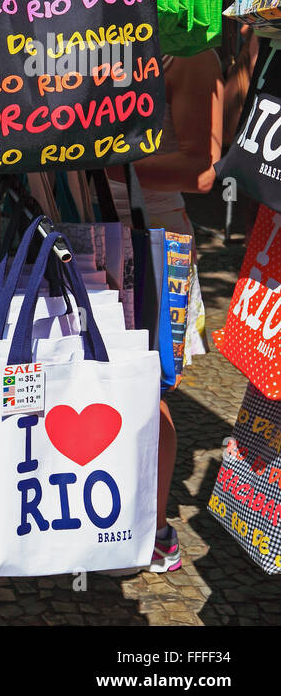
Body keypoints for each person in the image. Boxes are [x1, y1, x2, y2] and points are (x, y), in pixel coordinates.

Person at [106, 48, 224, 574]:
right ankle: (101, 516)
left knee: (150, 386)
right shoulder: (82, 31)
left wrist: (102, 158)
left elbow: (202, 172)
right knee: (94, 376)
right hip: (82, 227)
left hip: (155, 240)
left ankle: (152, 530)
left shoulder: (190, 53)